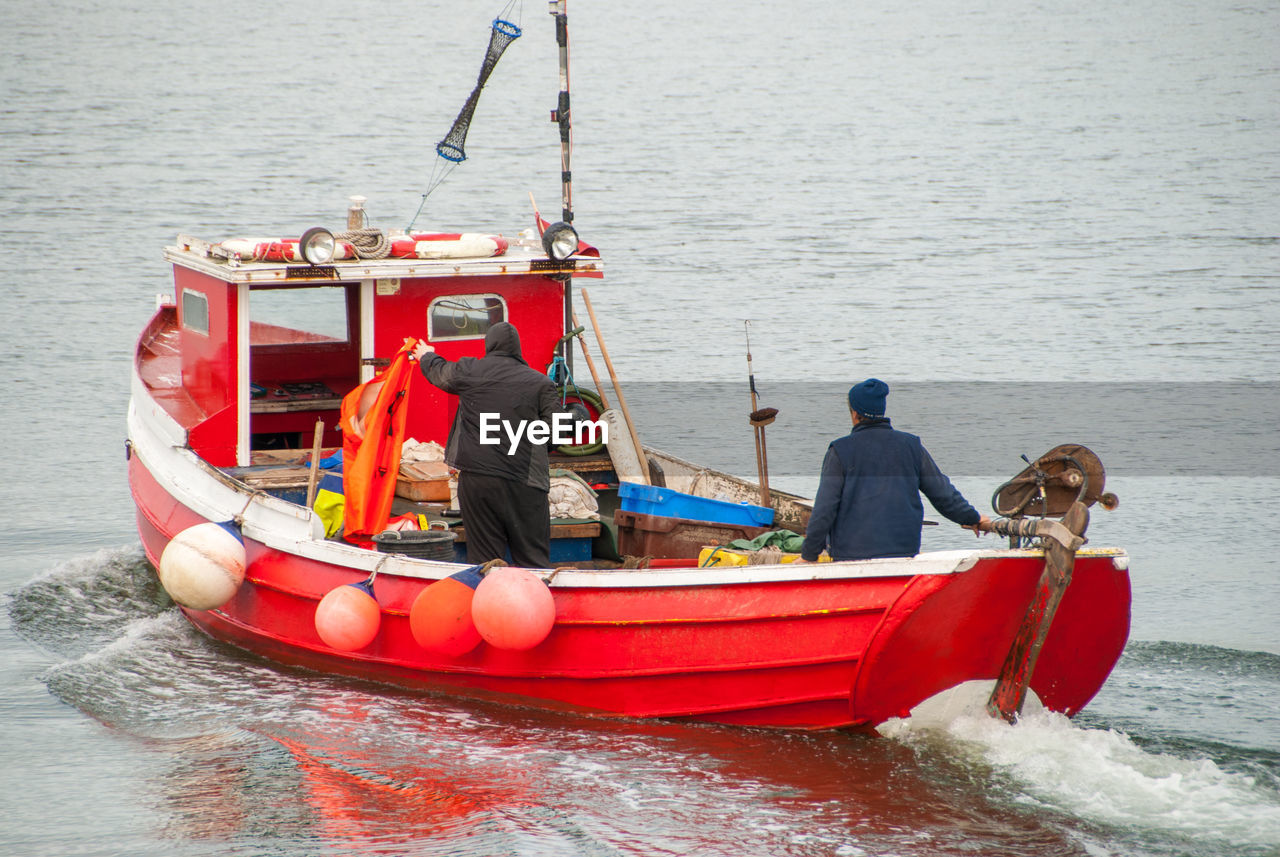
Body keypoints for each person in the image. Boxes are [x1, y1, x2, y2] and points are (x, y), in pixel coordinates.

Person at [412, 322, 559, 568]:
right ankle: (535, 602)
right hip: (526, 484)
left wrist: (426, 355)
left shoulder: (470, 370)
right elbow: (555, 435)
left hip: (478, 482)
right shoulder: (541, 383)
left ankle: (486, 603)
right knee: (533, 560)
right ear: (518, 349)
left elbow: (440, 373)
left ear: (489, 345)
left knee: (485, 560)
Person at [799, 378, 990, 562]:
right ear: (882, 411)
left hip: (851, 555)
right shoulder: (911, 446)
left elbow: (825, 508)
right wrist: (971, 517)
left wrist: (809, 555)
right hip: (904, 552)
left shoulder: (839, 450)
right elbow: (943, 495)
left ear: (855, 414)